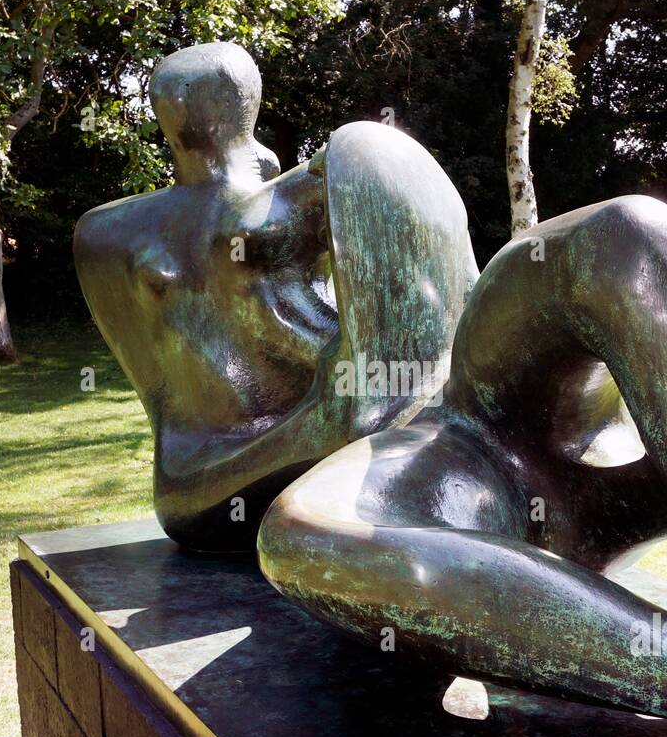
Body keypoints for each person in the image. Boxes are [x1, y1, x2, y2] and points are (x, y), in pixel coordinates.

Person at [259, 195, 667, 737]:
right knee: (309, 541)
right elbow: (304, 537)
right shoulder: (401, 467)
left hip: (509, 418)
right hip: (480, 467)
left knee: (625, 239)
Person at [74, 42, 475, 550]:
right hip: (311, 465)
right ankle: (338, 426)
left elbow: (161, 393)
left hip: (189, 494)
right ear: (248, 109)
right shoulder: (311, 190)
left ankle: (338, 425)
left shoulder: (104, 234)